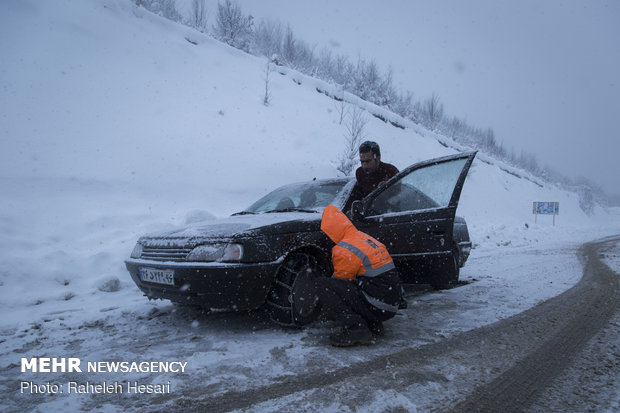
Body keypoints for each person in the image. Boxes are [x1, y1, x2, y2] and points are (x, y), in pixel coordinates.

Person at [314, 205, 402, 347]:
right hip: (390, 303)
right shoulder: (364, 238)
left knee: (323, 285)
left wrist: (328, 310)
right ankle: (372, 323)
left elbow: (340, 284)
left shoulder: (344, 248)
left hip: (378, 304)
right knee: (361, 281)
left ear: (332, 230)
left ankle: (356, 328)